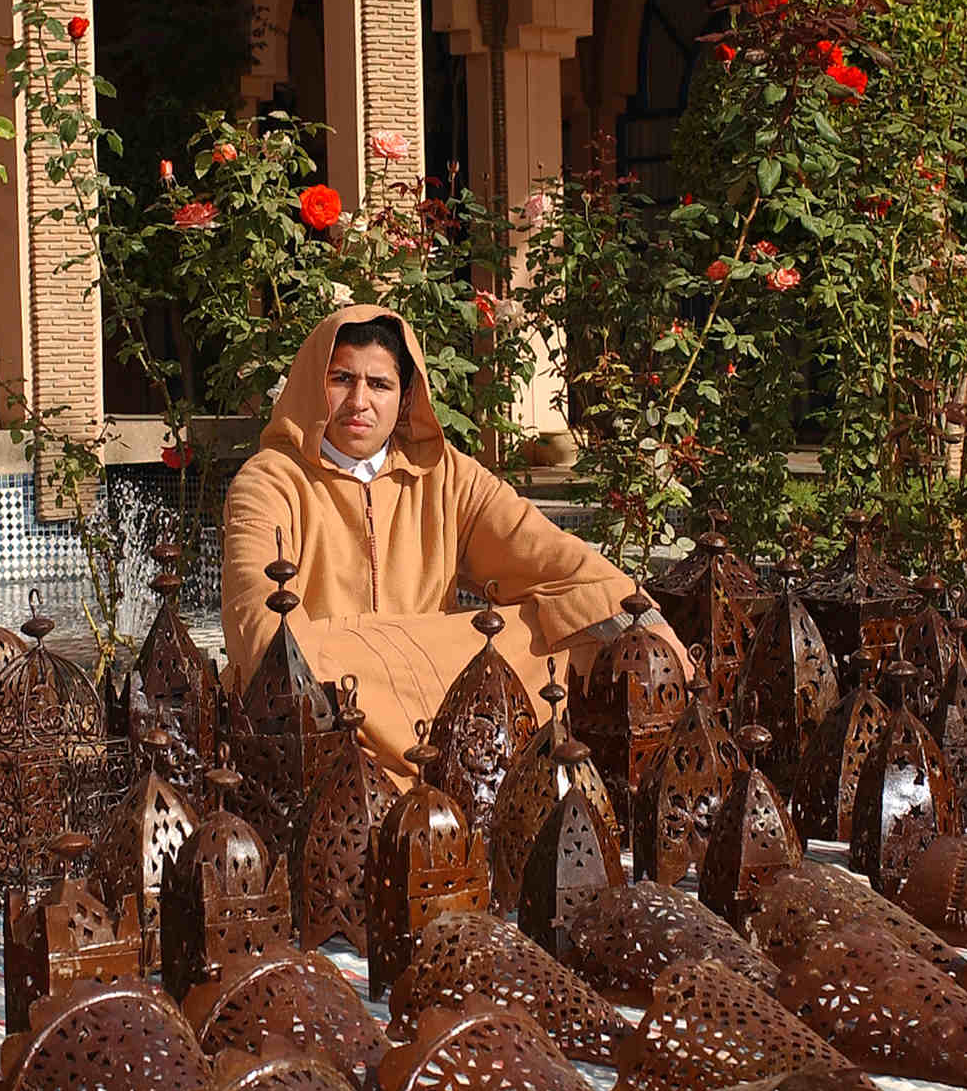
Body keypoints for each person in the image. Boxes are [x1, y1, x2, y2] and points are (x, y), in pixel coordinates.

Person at [220, 303, 688, 775]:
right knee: (299, 662)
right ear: (312, 386)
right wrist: (351, 660)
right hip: (333, 703)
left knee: (565, 626)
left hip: (433, 685)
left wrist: (646, 620)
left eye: (379, 384)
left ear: (404, 400)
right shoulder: (270, 482)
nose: (359, 401)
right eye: (342, 379)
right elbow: (258, 622)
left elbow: (555, 558)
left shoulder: (445, 476)